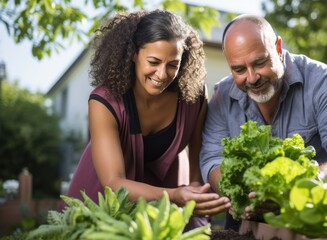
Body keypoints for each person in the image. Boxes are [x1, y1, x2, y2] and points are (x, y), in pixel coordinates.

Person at [199, 14, 327, 230]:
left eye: (260, 62)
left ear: (278, 48)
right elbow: (212, 158)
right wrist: (234, 192)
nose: (252, 78)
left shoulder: (324, 82)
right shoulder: (222, 96)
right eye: (239, 69)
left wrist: (311, 181)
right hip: (247, 223)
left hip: (314, 217)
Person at [65, 9, 230, 230]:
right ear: (134, 53)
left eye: (173, 64)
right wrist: (175, 195)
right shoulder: (104, 101)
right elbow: (114, 184)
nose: (162, 74)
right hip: (102, 209)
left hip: (165, 211)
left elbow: (197, 165)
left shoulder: (194, 98)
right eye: (153, 61)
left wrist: (195, 195)